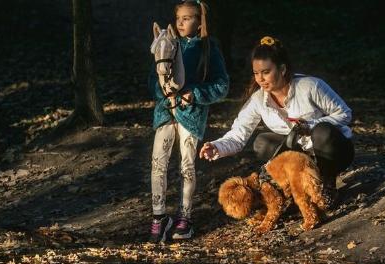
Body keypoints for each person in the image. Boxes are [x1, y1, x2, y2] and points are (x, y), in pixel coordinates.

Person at [199, 36, 354, 204]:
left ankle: (327, 184)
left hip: (335, 152)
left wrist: (309, 126)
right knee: (261, 142)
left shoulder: (311, 86)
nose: (260, 79)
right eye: (256, 73)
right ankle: (298, 184)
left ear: (282, 69)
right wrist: (217, 147)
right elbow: (239, 134)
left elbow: (345, 113)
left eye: (266, 72)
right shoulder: (258, 100)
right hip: (301, 156)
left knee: (322, 131)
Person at [149, 0, 229, 242]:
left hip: (191, 115)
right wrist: (163, 92)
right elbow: (152, 81)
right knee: (158, 163)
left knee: (187, 165)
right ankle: (159, 217)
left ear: (199, 21)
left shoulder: (209, 48)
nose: (180, 23)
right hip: (165, 112)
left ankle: (185, 218)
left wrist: (195, 94)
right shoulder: (168, 43)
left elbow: (222, 86)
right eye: (178, 18)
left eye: (187, 18)